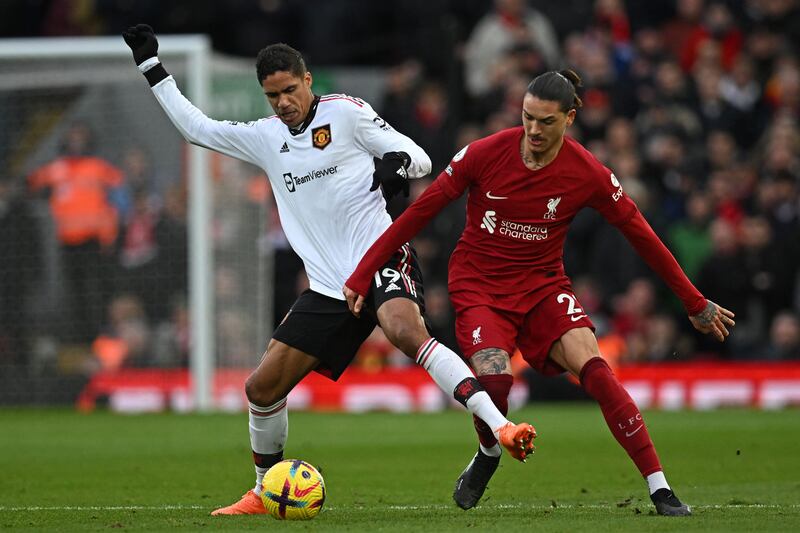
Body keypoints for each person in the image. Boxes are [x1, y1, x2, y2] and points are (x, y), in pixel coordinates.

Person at [122, 24, 535, 516]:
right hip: (328, 287)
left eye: (290, 90)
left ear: (308, 80)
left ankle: (501, 428)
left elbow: (421, 159)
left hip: (379, 255)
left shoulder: (347, 114)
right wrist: (153, 67)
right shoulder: (265, 138)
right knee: (261, 389)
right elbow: (196, 128)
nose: (283, 103)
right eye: (273, 95)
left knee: (404, 331)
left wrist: (395, 165)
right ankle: (262, 489)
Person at [344, 70, 736, 517]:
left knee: (599, 374)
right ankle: (488, 455)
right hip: (480, 287)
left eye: (546, 121)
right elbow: (421, 211)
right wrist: (364, 272)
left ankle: (660, 489)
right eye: (527, 117)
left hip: (543, 288)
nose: (533, 130)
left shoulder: (587, 172)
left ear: (570, 118)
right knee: (495, 382)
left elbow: (641, 233)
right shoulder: (484, 153)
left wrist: (693, 301)